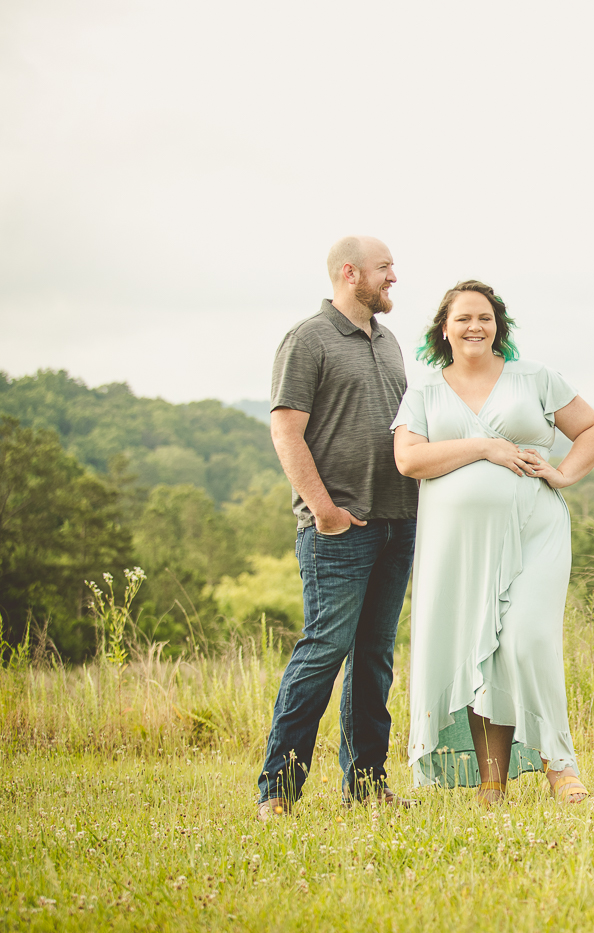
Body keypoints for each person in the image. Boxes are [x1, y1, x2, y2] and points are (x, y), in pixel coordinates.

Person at [392, 279, 594, 805]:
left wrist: (562, 476)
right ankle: (492, 781)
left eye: (485, 318)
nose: (474, 327)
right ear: (443, 329)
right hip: (457, 548)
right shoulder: (424, 391)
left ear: (498, 328)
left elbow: (593, 430)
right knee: (474, 653)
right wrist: (485, 447)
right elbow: (409, 460)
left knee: (524, 641)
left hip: (534, 531)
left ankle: (561, 764)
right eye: (463, 318)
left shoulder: (533, 377)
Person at [256, 236, 419, 821]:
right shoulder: (308, 339)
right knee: (325, 650)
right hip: (338, 529)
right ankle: (278, 790)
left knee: (374, 658)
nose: (394, 277)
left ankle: (367, 784)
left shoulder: (390, 341)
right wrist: (323, 510)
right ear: (351, 273)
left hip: (399, 522)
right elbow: (286, 431)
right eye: (385, 268)